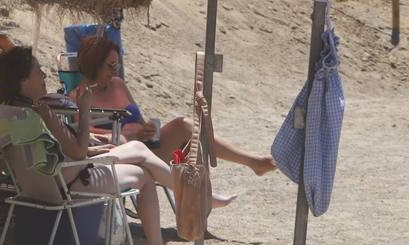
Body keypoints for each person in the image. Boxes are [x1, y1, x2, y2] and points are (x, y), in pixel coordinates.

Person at [0, 47, 235, 245]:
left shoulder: (3, 112)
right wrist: (84, 112)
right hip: (70, 181)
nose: (44, 75)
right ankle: (186, 213)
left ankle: (197, 198)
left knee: (138, 151)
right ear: (23, 80)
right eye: (37, 71)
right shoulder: (40, 112)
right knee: (144, 173)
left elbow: (50, 153)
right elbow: (76, 151)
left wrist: (93, 152)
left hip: (41, 185)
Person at [72, 36, 277, 175]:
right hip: (124, 155)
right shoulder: (78, 97)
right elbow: (85, 140)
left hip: (149, 147)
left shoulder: (118, 85)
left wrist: (147, 129)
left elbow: (141, 123)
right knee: (186, 140)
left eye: (118, 65)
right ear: (94, 63)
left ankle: (250, 163)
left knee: (187, 132)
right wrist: (128, 134)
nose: (115, 71)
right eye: (111, 65)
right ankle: (246, 167)